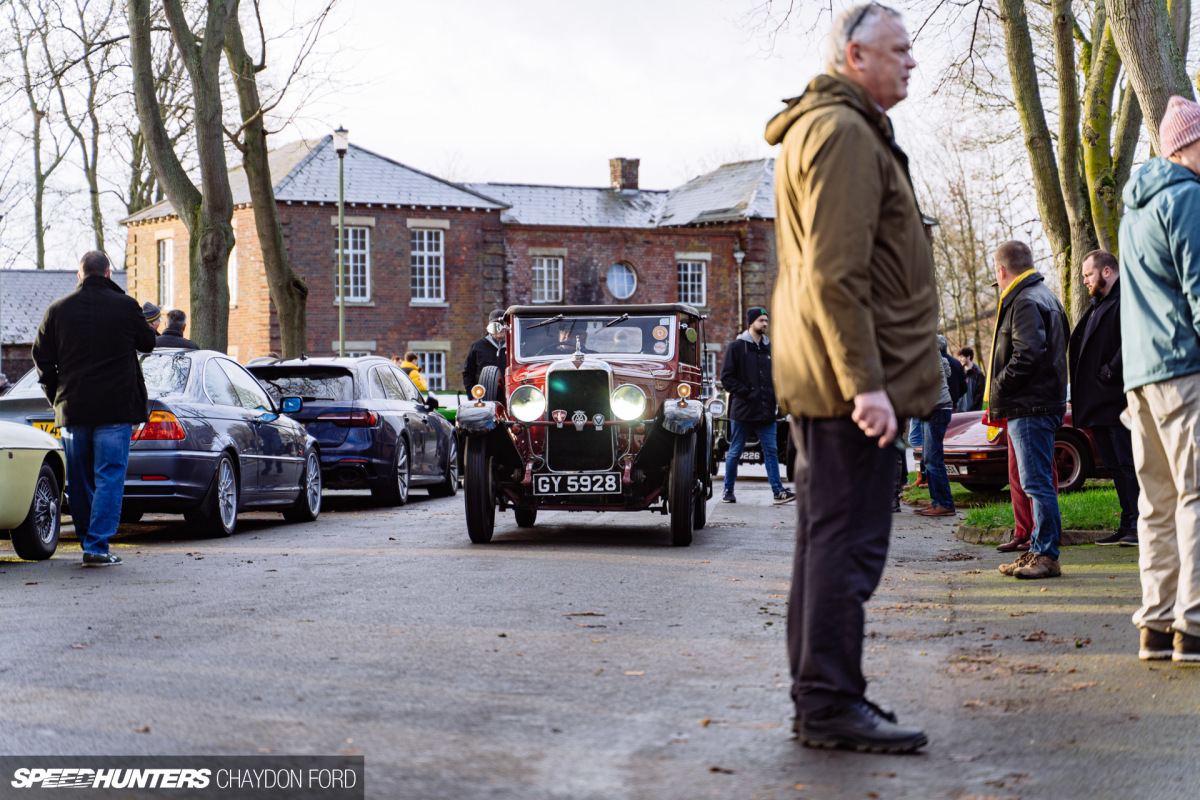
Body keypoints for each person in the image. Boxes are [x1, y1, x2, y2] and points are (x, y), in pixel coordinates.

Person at [766, 3, 936, 753]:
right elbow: (838, 275)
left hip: (828, 375)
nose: (911, 62)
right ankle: (831, 701)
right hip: (850, 384)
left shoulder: (828, 128)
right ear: (855, 56)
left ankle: (823, 697)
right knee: (847, 544)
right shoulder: (842, 135)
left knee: (824, 539)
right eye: (900, 50)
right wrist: (867, 384)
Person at [1118, 95, 1200, 664]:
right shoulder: (1188, 197)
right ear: (1187, 144)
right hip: (1183, 367)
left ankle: (1155, 622)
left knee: (1156, 502)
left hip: (1140, 374)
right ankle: (1193, 627)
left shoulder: (1133, 210)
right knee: (1196, 496)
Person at [31, 251, 156, 567]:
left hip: (74, 409)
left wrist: (56, 396)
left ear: (79, 276)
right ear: (109, 275)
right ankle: (97, 547)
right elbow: (149, 343)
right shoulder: (126, 307)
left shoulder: (57, 311)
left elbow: (41, 358)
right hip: (115, 409)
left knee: (79, 479)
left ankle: (90, 542)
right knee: (109, 476)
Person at [987, 241, 1070, 580]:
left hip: (1030, 405)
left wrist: (997, 386)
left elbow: (1027, 355)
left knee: (1036, 484)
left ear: (1001, 271)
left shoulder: (1022, 300)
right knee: (1037, 481)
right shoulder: (1044, 295)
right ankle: (1038, 550)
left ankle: (1046, 555)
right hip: (1042, 401)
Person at [1068, 249, 1138, 547]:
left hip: (1116, 397)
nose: (1084, 281)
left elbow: (1134, 339)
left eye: (1088, 275)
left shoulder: (1126, 299)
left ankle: (1139, 525)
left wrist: (1110, 371)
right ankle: (1127, 523)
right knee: (1112, 463)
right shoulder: (1100, 302)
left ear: (1106, 271)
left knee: (1127, 462)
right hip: (1098, 402)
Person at [719, 307, 795, 506]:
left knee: (771, 451)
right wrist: (747, 392)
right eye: (761, 320)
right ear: (751, 322)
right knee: (735, 451)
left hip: (765, 411)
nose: (765, 324)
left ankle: (778, 492)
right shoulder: (736, 347)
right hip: (743, 410)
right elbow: (726, 378)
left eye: (766, 321)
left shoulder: (770, 349)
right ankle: (728, 490)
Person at [916, 335, 956, 517]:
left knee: (934, 458)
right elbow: (947, 372)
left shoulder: (927, 350)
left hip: (937, 407)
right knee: (927, 458)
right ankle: (936, 502)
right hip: (930, 407)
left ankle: (946, 503)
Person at [462, 309, 506, 392]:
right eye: (497, 325)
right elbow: (468, 373)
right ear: (490, 326)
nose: (501, 328)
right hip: (484, 396)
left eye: (504, 324)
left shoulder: (515, 348)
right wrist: (473, 395)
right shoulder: (478, 346)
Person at [956, 347, 986, 412]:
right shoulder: (960, 372)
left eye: (961, 357)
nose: (959, 359)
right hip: (959, 411)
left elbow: (980, 394)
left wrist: (972, 408)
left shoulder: (978, 373)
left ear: (968, 357)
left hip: (973, 412)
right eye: (959, 357)